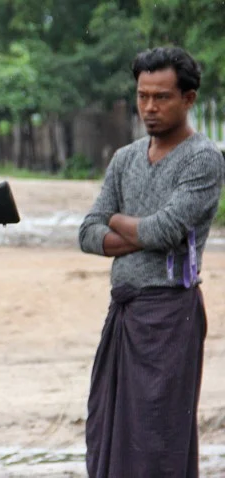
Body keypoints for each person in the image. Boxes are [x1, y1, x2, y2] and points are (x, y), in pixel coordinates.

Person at [78, 46, 225, 477]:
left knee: (158, 435)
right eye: (143, 95)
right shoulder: (125, 158)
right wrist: (140, 231)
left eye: (161, 96)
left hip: (169, 316)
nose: (149, 107)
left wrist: (117, 221)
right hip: (123, 312)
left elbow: (166, 230)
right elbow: (87, 233)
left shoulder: (203, 159)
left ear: (189, 99)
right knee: (107, 428)